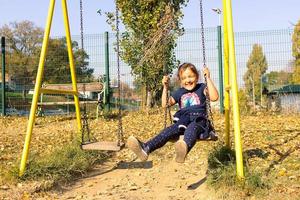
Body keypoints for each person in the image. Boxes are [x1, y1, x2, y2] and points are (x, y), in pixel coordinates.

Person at [127, 62, 219, 163]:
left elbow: (214, 97)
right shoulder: (179, 92)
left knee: (192, 128)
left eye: (190, 76)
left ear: (197, 77)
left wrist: (208, 78)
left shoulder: (202, 87)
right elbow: (165, 104)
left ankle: (183, 149)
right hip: (183, 121)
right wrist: (165, 87)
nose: (187, 80)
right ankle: (146, 148)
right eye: (184, 78)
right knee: (168, 131)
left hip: (199, 121)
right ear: (180, 80)